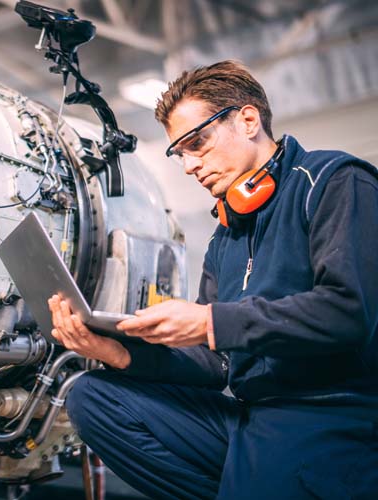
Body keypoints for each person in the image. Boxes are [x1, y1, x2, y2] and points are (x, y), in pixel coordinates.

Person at [49, 60, 378, 499]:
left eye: (197, 143)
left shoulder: (335, 182)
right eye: (179, 153)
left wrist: (210, 322)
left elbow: (348, 312)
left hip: (332, 416)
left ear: (247, 120)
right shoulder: (227, 233)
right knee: (92, 398)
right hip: (250, 418)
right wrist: (118, 353)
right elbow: (216, 365)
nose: (189, 166)